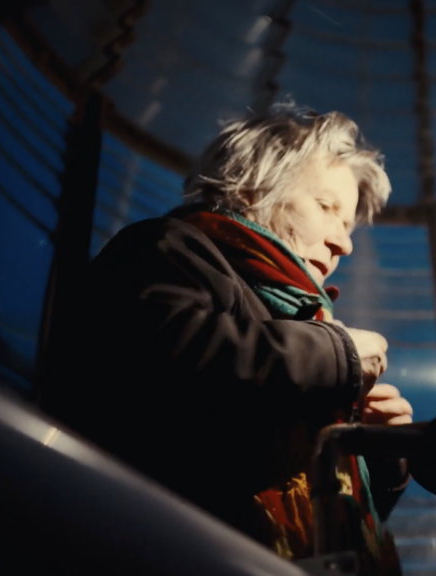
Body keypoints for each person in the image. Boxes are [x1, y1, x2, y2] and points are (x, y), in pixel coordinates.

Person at [45, 101, 413, 574]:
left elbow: (298, 482)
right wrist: (333, 355)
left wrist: (377, 457)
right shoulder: (167, 249)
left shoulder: (301, 317)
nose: (344, 243)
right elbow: (169, 378)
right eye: (326, 208)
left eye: (347, 226)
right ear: (251, 186)